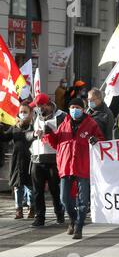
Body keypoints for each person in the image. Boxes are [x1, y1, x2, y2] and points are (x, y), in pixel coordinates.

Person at [44, 98, 104, 239]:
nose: (74, 110)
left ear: (83, 109)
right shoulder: (64, 124)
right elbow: (56, 143)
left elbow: (101, 140)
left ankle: (79, 226)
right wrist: (49, 134)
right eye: (72, 107)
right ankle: (73, 218)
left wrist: (97, 140)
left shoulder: (91, 124)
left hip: (83, 166)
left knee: (83, 200)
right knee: (64, 199)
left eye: (77, 107)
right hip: (66, 166)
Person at [26, 94, 67, 227]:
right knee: (38, 191)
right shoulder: (35, 116)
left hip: (54, 158)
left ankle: (59, 214)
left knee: (55, 189)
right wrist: (33, 134)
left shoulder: (61, 116)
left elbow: (65, 135)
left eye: (39, 106)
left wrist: (50, 132)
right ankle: (40, 217)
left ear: (47, 105)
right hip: (37, 159)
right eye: (36, 107)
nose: (38, 109)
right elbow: (26, 134)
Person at [0, 103, 34, 219]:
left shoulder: (34, 127)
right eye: (21, 112)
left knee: (30, 187)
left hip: (30, 160)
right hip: (17, 161)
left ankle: (31, 208)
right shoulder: (15, 128)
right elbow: (4, 137)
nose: (23, 114)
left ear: (30, 114)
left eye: (25, 112)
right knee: (17, 186)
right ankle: (18, 209)